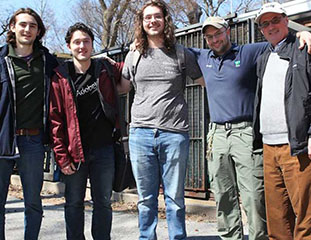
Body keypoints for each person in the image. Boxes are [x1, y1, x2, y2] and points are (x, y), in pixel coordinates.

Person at [189, 16, 311, 239]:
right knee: (224, 195)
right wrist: (138, 44)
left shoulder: (250, 52)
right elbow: (169, 46)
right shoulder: (201, 56)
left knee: (255, 197)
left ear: (227, 31)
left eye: (218, 33)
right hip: (219, 134)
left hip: (246, 132)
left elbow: (281, 38)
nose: (214, 39)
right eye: (209, 36)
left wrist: (304, 32)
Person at [121, 0, 203, 239]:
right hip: (140, 134)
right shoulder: (134, 54)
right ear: (142, 23)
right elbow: (122, 87)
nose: (152, 21)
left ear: (165, 20)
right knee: (145, 199)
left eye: (157, 16)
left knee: (175, 198)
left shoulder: (181, 54)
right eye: (148, 18)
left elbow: (206, 79)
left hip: (174, 134)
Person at [49, 23, 127, 240]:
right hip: (74, 152)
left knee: (103, 202)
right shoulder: (60, 77)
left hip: (104, 149)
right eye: (77, 42)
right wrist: (62, 157)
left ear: (93, 44)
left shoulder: (105, 69)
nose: (81, 46)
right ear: (69, 45)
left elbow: (131, 67)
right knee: (73, 202)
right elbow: (55, 120)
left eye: (86, 41)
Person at [253, 2, 311, 239]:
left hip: (299, 146)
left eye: (274, 20)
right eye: (265, 23)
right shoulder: (263, 56)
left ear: (285, 20)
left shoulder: (305, 47)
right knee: (277, 218)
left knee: (307, 217)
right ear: (260, 29)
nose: (270, 27)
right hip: (269, 147)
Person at [0, 8, 58, 240]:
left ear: (38, 31)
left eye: (32, 26)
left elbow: (74, 71)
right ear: (12, 27)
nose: (27, 29)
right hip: (3, 139)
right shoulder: (1, 59)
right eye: (22, 24)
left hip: (33, 141)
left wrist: (102, 62)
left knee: (33, 202)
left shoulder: (48, 61)